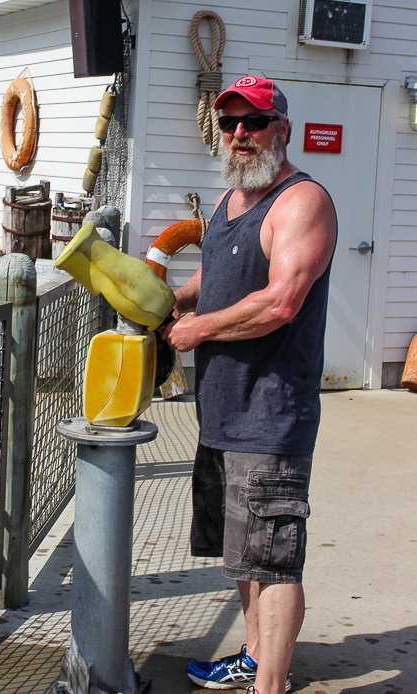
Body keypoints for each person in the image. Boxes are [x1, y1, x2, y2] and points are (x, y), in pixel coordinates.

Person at [162, 76, 337, 694]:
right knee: (243, 557)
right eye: (231, 122)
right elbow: (216, 276)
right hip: (221, 413)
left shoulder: (301, 202)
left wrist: (199, 328)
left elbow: (281, 302)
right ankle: (255, 657)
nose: (240, 133)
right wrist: (165, 298)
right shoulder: (229, 200)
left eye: (254, 122)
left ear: (281, 129)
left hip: (270, 414)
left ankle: (271, 687)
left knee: (275, 559)